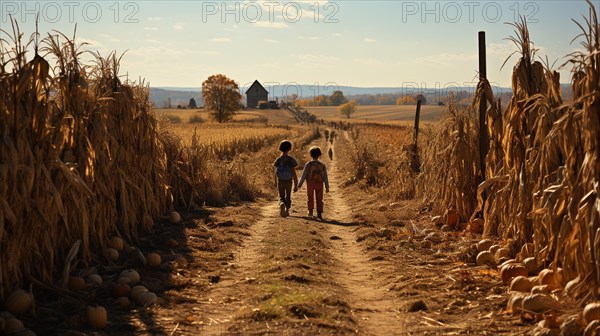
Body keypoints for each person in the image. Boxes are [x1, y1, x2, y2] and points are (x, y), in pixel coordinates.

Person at [297, 146, 329, 219]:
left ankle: (310, 212)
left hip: (310, 183)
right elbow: (325, 177)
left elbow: (304, 175)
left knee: (310, 197)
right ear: (319, 154)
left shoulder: (308, 164)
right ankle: (319, 213)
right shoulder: (322, 165)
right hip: (319, 183)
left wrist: (299, 185)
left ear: (311, 155)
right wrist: (327, 187)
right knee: (319, 198)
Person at [274, 140, 298, 217]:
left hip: (280, 180)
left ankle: (281, 203)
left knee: (281, 196)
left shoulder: (278, 159)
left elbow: (275, 172)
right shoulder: (291, 160)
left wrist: (275, 181)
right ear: (290, 148)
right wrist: (296, 184)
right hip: (288, 181)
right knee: (288, 196)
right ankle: (287, 210)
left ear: (280, 148)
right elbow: (293, 173)